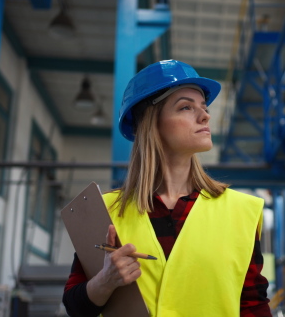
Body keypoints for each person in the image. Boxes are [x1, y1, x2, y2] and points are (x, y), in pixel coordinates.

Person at [62, 60, 271, 316]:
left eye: (204, 107)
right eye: (186, 107)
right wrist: (105, 281)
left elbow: (254, 304)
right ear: (152, 124)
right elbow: (74, 306)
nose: (205, 115)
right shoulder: (104, 210)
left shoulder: (242, 211)